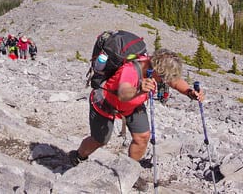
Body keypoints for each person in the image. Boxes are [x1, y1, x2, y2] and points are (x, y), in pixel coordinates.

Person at [69, 48, 204, 166]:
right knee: (99, 140)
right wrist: (139, 89)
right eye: (162, 78)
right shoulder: (130, 70)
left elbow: (174, 80)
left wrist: (189, 92)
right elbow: (123, 93)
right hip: (105, 104)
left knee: (142, 137)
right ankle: (79, 156)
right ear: (156, 69)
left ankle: (130, 169)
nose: (164, 82)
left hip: (133, 106)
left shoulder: (156, 67)